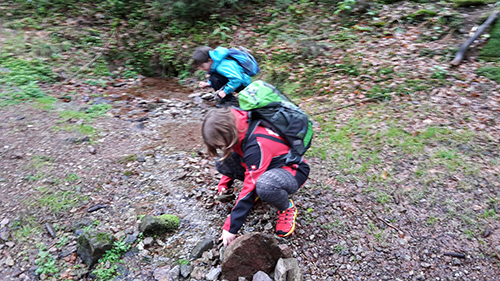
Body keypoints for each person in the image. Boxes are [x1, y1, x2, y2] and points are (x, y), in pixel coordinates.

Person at [202, 107, 310, 246]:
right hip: (265, 164)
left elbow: (250, 185)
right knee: (222, 161)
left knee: (265, 186)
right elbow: (234, 155)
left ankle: (286, 208)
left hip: (292, 170)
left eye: (219, 144)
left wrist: (231, 227)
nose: (220, 147)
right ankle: (262, 192)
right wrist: (224, 183)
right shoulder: (238, 126)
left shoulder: (256, 144)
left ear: (227, 133)